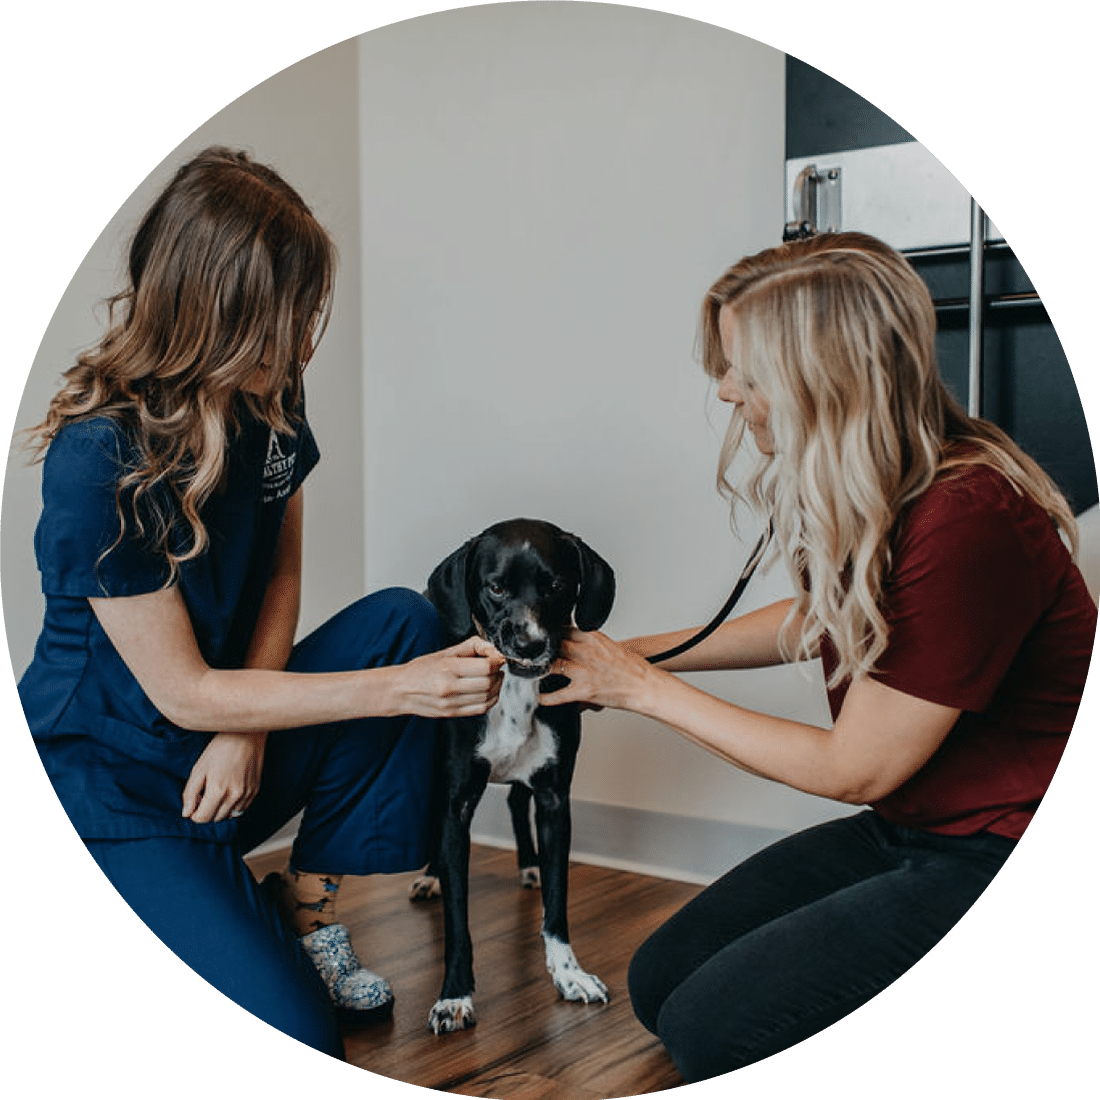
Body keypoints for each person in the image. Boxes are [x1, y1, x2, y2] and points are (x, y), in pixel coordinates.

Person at [540, 232, 1097, 1082]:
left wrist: (642, 690)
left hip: (1004, 852)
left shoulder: (967, 514)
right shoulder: (889, 478)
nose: (725, 391)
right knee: (659, 984)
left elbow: (856, 769)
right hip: (913, 829)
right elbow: (818, 616)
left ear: (823, 376)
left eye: (745, 373)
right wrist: (632, 654)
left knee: (712, 1034)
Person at [17, 147, 504, 1060]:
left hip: (219, 734)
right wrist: (402, 691)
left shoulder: (269, 395)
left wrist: (246, 732)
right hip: (113, 781)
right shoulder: (98, 458)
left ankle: (306, 908)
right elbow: (183, 693)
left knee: (403, 617)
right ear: (219, 310)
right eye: (290, 314)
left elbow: (280, 571)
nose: (306, 338)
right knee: (300, 1045)